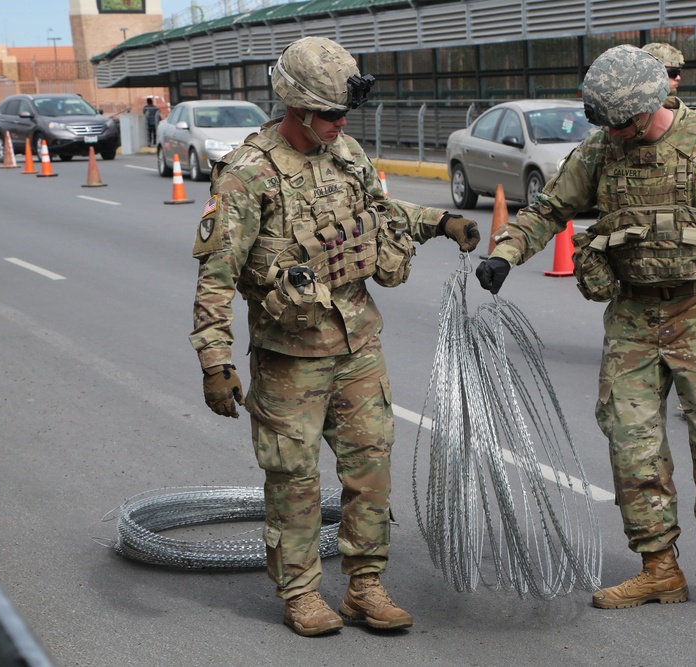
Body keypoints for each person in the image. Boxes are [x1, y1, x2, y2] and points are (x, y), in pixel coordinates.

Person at [475, 44, 696, 624]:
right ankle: (660, 569)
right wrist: (506, 253)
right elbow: (549, 209)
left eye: (623, 123)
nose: (615, 134)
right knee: (631, 444)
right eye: (607, 125)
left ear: (650, 105)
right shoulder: (604, 148)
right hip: (633, 316)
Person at [189, 36, 480, 637]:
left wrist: (440, 222)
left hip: (358, 347)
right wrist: (214, 362)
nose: (339, 123)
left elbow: (381, 212)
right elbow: (215, 277)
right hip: (289, 357)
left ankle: (365, 586)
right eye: (328, 114)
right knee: (294, 479)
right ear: (295, 109)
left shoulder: (345, 150)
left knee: (369, 469)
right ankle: (300, 594)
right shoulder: (249, 174)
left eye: (344, 114)